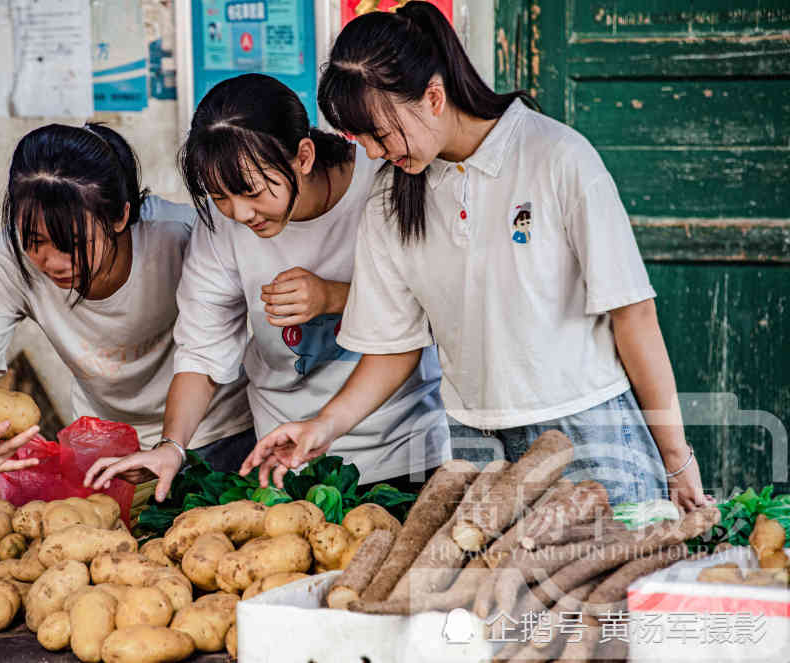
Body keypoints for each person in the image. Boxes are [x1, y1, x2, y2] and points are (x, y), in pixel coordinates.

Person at [241, 2, 710, 510]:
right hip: (475, 444)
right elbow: (392, 346)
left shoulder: (557, 157)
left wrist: (676, 458)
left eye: (381, 133)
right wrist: (321, 427)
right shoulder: (389, 198)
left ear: (434, 96)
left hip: (587, 435)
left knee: (612, 583)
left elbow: (634, 317)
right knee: (498, 590)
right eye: (362, 139)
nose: (373, 153)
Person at [86, 74, 450, 502]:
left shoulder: (384, 182)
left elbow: (431, 306)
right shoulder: (221, 224)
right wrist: (172, 446)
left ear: (304, 156)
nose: (240, 213)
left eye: (252, 191)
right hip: (284, 460)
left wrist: (333, 296)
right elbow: (202, 347)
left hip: (401, 449)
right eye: (219, 196)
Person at [0, 123, 252, 479]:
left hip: (220, 434)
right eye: (35, 240)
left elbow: (220, 345)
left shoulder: (181, 237)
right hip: (108, 449)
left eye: (72, 244)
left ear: (120, 217)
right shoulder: (11, 263)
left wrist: (170, 446)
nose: (54, 262)